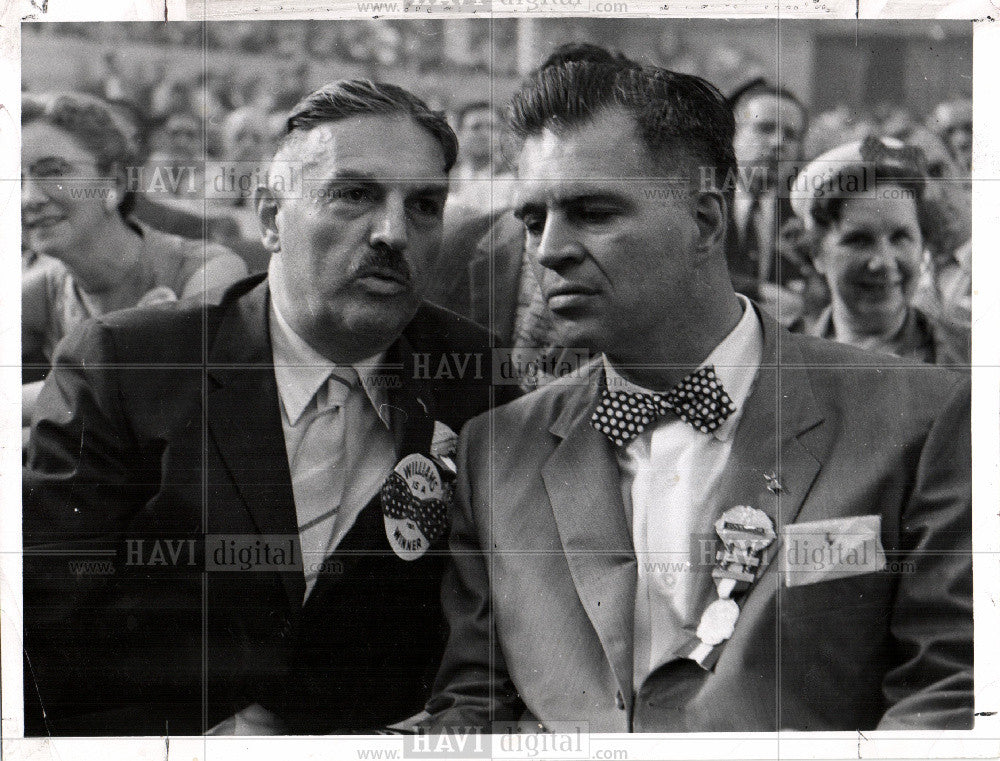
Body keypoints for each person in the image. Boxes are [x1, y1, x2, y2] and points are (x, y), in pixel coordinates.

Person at [422, 60, 972, 732]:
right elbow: (473, 705)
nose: (549, 249)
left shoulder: (922, 417)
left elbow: (950, 691)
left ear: (707, 221)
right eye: (534, 220)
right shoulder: (496, 450)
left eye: (593, 211)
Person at [23, 80, 514, 736]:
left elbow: (497, 629)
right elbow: (40, 622)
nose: (394, 233)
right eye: (353, 194)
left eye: (424, 204)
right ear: (270, 216)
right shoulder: (128, 367)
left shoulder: (472, 374)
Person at [21, 92, 247, 429]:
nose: (30, 198)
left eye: (52, 171)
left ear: (115, 182)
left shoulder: (207, 270)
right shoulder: (37, 292)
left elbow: (152, 391)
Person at [788, 136, 970, 365]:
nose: (884, 262)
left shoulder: (971, 357)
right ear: (817, 252)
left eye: (900, 237)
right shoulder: (785, 359)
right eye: (859, 240)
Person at [726, 78, 811, 323]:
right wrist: (759, 290)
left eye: (791, 135)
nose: (778, 144)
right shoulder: (698, 201)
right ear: (732, 135)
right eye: (764, 129)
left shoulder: (804, 213)